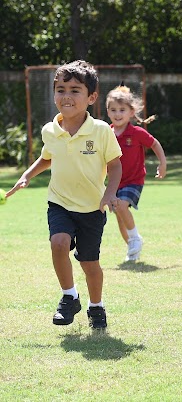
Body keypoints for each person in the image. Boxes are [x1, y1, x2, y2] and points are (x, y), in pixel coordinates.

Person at [6, 60, 122, 330]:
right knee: (58, 243)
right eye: (60, 89)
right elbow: (47, 158)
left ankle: (96, 306)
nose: (66, 96)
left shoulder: (102, 131)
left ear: (91, 97)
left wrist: (109, 193)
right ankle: (69, 296)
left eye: (74, 90)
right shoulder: (50, 130)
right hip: (59, 202)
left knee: (89, 263)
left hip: (92, 208)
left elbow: (116, 165)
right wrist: (27, 175)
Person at [106, 86, 167, 262]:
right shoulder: (106, 133)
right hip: (114, 183)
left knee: (122, 206)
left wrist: (162, 163)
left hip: (133, 181)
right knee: (119, 217)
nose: (118, 114)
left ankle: (134, 238)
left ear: (131, 112)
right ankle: (132, 249)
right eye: (113, 110)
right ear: (108, 112)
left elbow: (154, 144)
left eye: (122, 110)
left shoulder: (137, 133)